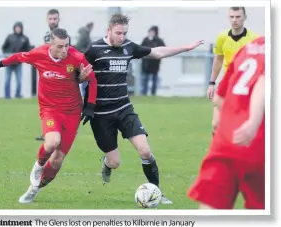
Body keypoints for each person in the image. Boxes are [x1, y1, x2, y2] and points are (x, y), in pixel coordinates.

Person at [83, 12, 204, 205]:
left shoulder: (128, 47)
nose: (122, 37)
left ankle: (157, 191)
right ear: (109, 30)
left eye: (125, 33)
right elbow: (78, 72)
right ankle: (107, 164)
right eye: (118, 33)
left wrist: (184, 48)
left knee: (145, 151)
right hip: (101, 115)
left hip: (124, 109)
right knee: (115, 162)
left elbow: (156, 52)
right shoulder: (94, 49)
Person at [0, 28, 97, 204]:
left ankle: (34, 188)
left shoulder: (76, 57)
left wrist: (90, 105)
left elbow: (93, 78)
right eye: (60, 46)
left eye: (67, 45)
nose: (64, 50)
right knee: (52, 142)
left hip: (73, 111)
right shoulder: (39, 54)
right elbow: (20, 56)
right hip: (50, 108)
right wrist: (1, 63)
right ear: (50, 44)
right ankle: (38, 165)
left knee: (58, 160)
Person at [188, 36, 265, 209]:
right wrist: (252, 121)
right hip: (259, 143)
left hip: (226, 142)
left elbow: (219, 99)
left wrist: (234, 117)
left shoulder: (249, 48)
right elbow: (264, 80)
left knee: (211, 211)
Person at [206, 7, 258, 136]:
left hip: (245, 86)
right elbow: (218, 60)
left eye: (238, 17)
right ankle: (218, 155)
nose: (234, 20)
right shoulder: (222, 37)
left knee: (242, 125)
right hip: (227, 83)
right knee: (216, 124)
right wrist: (211, 83)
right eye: (232, 17)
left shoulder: (254, 39)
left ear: (245, 18)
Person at [35, 9, 71, 141]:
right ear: (47, 20)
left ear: (58, 19)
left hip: (61, 75)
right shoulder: (46, 35)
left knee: (60, 103)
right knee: (46, 103)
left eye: (55, 19)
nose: (52, 21)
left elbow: (68, 55)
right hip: (47, 74)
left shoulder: (63, 35)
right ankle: (48, 131)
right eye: (50, 19)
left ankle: (63, 130)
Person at [2, 21, 31, 99]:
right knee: (7, 80)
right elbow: (4, 47)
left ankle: (17, 95)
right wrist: (7, 55)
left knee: (19, 81)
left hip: (18, 63)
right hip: (9, 63)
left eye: (19, 28)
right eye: (16, 28)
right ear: (14, 28)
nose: (18, 29)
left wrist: (23, 57)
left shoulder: (25, 38)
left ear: (21, 28)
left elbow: (28, 50)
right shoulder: (9, 37)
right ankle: (7, 96)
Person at [141, 25, 165, 96]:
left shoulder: (159, 41)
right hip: (146, 64)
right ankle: (144, 93)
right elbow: (141, 48)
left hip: (155, 64)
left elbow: (163, 49)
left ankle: (153, 93)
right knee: (145, 79)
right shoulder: (145, 40)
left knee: (154, 79)